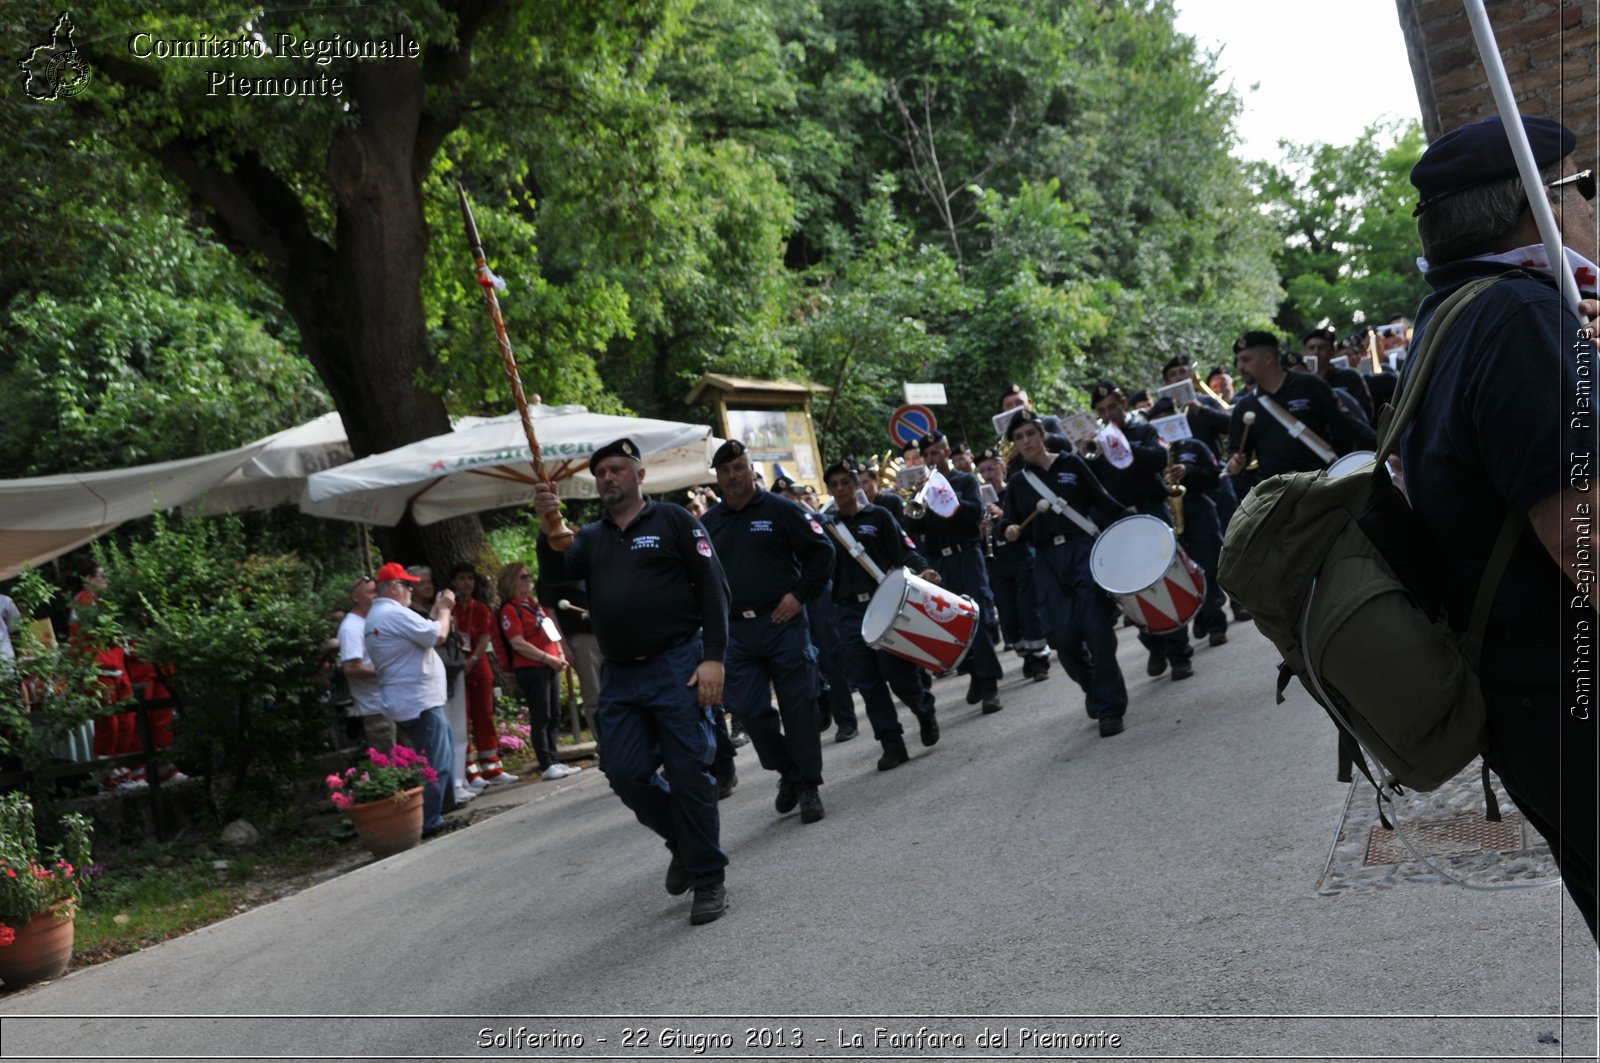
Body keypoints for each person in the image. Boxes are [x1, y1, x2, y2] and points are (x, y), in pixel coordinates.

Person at [1401, 113, 1597, 937]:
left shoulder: (1454, 313)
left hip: (1540, 700)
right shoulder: (1519, 319)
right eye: (1584, 186)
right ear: (1538, 205)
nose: (1592, 203)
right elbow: (1580, 534)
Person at [534, 437, 731, 926]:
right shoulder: (589, 539)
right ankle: (684, 842)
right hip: (622, 673)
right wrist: (549, 528)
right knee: (624, 772)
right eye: (601, 473)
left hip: (677, 664)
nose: (608, 478)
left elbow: (713, 588)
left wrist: (714, 658)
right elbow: (555, 579)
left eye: (618, 469)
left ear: (639, 475)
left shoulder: (674, 521)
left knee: (688, 774)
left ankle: (707, 877)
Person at [701, 440, 835, 824]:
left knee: (799, 705)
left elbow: (822, 552)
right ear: (718, 478)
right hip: (737, 634)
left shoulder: (782, 510)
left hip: (783, 624)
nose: (732, 476)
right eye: (725, 471)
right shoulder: (709, 524)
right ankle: (787, 771)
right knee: (748, 710)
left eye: (739, 468)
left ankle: (808, 785)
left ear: (751, 469)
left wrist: (800, 595)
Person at [1002, 409, 1133, 734]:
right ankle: (1093, 688)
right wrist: (1007, 531)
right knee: (1063, 637)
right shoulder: (1018, 482)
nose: (1026, 441)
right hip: (1047, 561)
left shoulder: (1071, 464)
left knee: (1097, 630)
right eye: (1019, 437)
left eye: (1031, 434)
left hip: (1083, 550)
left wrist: (1133, 524)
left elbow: (1102, 500)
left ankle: (1110, 708)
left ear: (1042, 435)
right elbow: (1008, 522)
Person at [820, 459, 943, 771]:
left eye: (845, 482)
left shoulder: (879, 516)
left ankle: (923, 708)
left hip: (885, 602)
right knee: (868, 680)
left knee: (897, 672)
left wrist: (923, 568)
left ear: (856, 484)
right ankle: (891, 743)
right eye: (834, 485)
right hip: (848, 611)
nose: (840, 489)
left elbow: (905, 550)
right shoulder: (827, 528)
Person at [1089, 380, 1197, 682]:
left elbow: (1159, 458)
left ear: (1122, 403)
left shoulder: (1145, 430)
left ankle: (1179, 654)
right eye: (1102, 410)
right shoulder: (1096, 442)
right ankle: (1153, 643)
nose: (1109, 414)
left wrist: (1122, 444)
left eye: (1112, 406)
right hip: (1120, 521)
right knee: (1129, 588)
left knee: (1164, 580)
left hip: (1150, 510)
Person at [904, 430, 1005, 713]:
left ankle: (990, 685)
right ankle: (974, 670)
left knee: (977, 617)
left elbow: (975, 512)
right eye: (927, 455)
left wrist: (947, 498)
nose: (931, 458)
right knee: (952, 623)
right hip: (939, 561)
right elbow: (914, 528)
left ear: (947, 453)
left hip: (967, 555)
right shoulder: (921, 490)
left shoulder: (965, 480)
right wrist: (916, 505)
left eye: (936, 452)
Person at [364, 562, 458, 836]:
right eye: (407, 585)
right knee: (435, 763)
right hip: (420, 700)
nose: (411, 590)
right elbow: (438, 634)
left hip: (409, 698)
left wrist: (437, 612)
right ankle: (431, 820)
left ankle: (440, 809)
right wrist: (445, 608)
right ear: (393, 588)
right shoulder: (393, 614)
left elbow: (424, 630)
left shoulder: (380, 615)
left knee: (439, 751)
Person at [1225, 332, 1377, 480]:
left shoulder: (1308, 385)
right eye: (1238, 361)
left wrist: (1385, 450)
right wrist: (1234, 464)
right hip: (1277, 493)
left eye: (1245, 360)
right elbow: (1236, 454)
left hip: (1320, 484)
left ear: (1268, 359)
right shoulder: (1245, 406)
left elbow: (1349, 424)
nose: (1239, 367)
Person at [494, 561, 582, 782]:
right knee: (541, 714)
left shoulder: (534, 606)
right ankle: (546, 763)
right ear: (512, 581)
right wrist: (548, 658)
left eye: (529, 576)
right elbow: (517, 643)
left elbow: (552, 633)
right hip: (532, 667)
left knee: (553, 713)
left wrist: (560, 654)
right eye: (524, 576)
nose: (529, 580)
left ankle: (554, 758)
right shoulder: (509, 609)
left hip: (549, 664)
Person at [976, 447, 1051, 679]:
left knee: (1028, 610)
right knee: (1007, 617)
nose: (989, 474)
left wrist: (1003, 517)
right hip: (997, 564)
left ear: (1002, 468)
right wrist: (981, 530)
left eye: (992, 468)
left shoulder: (1014, 492)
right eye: (983, 470)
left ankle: (1039, 659)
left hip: (1021, 558)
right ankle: (1025, 653)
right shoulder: (979, 502)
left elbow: (1028, 523)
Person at [71, 562, 140, 792]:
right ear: (89, 579)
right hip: (99, 668)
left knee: (127, 721)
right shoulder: (85, 600)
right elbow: (97, 630)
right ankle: (107, 777)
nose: (106, 580)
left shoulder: (106, 602)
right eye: (102, 576)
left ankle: (122, 772)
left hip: (117, 666)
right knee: (108, 724)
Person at [448, 563, 502, 790]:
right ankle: (470, 771)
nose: (466, 583)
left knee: (485, 716)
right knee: (462, 719)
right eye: (461, 578)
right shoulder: (448, 610)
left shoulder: (480, 609)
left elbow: (484, 637)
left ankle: (492, 767)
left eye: (470, 578)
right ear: (454, 582)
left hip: (478, 668)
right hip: (456, 669)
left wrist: (473, 661)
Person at [337, 576, 395, 753]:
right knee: (388, 765)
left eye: (376, 591)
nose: (376, 596)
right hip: (375, 708)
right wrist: (386, 672)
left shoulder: (371, 620)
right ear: (356, 597)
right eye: (370, 592)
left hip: (392, 703)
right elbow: (351, 667)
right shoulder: (351, 627)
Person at [1302, 327, 1374, 422]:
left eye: (1322, 348)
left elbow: (1366, 411)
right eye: (1311, 348)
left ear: (1333, 352)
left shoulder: (1350, 377)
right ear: (1305, 352)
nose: (1316, 352)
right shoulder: (1299, 381)